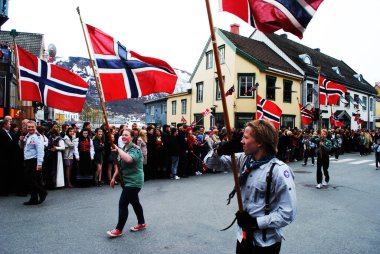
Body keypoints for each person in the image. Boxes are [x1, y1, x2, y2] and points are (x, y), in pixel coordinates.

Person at [205, 120, 297, 253]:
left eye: (246, 138)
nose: (241, 141)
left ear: (259, 142)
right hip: (242, 238)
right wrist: (219, 150)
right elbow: (210, 164)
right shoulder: (243, 159)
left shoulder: (280, 171)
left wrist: (256, 223)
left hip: (265, 244)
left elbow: (288, 213)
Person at [107, 129, 146, 237]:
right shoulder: (124, 149)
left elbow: (129, 160)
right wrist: (113, 178)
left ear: (132, 137)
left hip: (134, 181)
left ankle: (119, 229)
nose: (124, 136)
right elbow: (120, 167)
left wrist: (118, 149)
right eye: (122, 135)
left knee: (122, 204)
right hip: (126, 181)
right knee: (135, 202)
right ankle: (141, 223)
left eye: (126, 135)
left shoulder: (135, 149)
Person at [20, 120, 48, 205]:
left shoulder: (37, 137)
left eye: (32, 127)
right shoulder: (27, 136)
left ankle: (42, 192)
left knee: (31, 180)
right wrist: (21, 141)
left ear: (35, 127)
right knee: (32, 180)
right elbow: (24, 147)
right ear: (26, 127)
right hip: (28, 160)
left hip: (34, 160)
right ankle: (34, 198)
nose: (30, 128)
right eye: (29, 127)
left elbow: (40, 151)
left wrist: (39, 164)